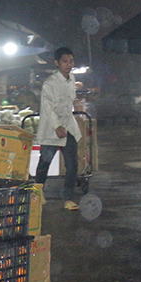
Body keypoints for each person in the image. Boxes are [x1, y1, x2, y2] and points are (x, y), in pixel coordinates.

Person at [34, 47, 82, 211]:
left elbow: (70, 101)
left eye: (71, 61)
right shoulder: (50, 83)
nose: (69, 64)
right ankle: (38, 193)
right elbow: (47, 108)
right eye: (65, 61)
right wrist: (57, 126)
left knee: (72, 164)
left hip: (68, 126)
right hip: (52, 129)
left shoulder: (72, 79)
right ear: (57, 63)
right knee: (44, 163)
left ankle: (68, 198)